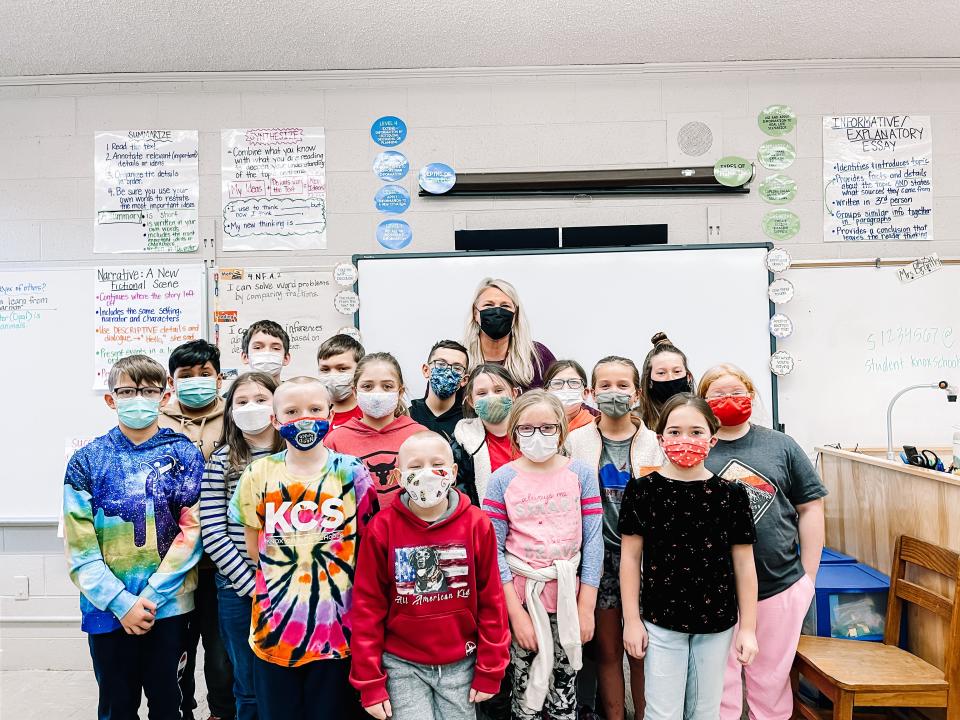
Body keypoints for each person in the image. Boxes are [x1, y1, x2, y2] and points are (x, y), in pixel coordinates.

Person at [63, 354, 204, 720]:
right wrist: (121, 602)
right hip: (107, 610)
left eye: (148, 390)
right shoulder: (86, 461)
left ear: (165, 396)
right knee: (116, 707)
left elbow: (193, 532)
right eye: (127, 391)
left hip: (169, 608)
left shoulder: (184, 454)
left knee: (170, 705)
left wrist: (153, 595)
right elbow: (80, 549)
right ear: (111, 399)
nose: (138, 398)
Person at [229, 377, 376, 720]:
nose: (304, 419)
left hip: (338, 634)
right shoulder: (258, 473)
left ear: (332, 413)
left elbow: (367, 544)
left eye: (313, 410)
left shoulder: (352, 472)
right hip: (275, 633)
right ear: (275, 420)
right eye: (292, 412)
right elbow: (255, 548)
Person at [350, 431, 511, 720]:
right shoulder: (381, 529)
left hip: (462, 663)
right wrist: (370, 683)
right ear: (398, 476)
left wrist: (491, 667)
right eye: (414, 467)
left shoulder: (477, 524)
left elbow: (492, 601)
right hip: (402, 665)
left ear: (452, 472)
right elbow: (367, 608)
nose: (426, 473)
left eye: (436, 464)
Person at [698, 364, 826, 720]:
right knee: (716, 687)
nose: (729, 401)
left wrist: (808, 580)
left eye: (736, 393)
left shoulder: (780, 445)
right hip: (713, 591)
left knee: (770, 684)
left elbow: (811, 509)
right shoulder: (694, 448)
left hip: (778, 585)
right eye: (717, 395)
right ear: (703, 401)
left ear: (752, 395)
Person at [619, 394, 759, 720]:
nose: (685, 440)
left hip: (717, 623)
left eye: (696, 432)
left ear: (712, 439)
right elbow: (629, 560)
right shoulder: (642, 491)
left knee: (705, 711)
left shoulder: (732, 494)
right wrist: (632, 621)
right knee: (661, 712)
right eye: (675, 431)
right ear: (660, 438)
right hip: (661, 620)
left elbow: (744, 563)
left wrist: (748, 628)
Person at [483, 390, 604, 720]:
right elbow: (493, 551)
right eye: (527, 429)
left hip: (568, 600)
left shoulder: (581, 475)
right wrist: (516, 615)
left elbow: (593, 542)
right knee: (526, 698)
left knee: (564, 696)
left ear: (561, 430)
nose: (537, 436)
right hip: (524, 602)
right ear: (515, 433)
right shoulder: (502, 480)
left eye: (547, 428)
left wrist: (586, 608)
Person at [565, 357, 663, 720]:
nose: (614, 392)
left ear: (637, 394)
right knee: (607, 651)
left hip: (645, 560)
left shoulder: (655, 444)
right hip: (597, 560)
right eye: (604, 385)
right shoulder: (575, 442)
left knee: (641, 650)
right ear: (591, 392)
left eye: (623, 385)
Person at [202, 372, 284, 720]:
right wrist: (251, 586)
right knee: (246, 682)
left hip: (291, 586)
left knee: (284, 678)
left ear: (278, 406)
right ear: (230, 411)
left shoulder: (295, 456)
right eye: (242, 402)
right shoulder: (221, 460)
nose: (252, 407)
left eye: (262, 399)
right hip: (238, 589)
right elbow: (213, 530)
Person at [160, 339, 234, 720]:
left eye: (204, 374)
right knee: (177, 652)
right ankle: (180, 710)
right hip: (173, 562)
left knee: (222, 656)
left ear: (219, 378)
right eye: (186, 376)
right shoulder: (156, 420)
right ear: (172, 382)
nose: (196, 382)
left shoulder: (238, 416)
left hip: (225, 563)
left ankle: (221, 712)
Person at [325, 352, 426, 510]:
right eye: (367, 386)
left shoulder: (420, 436)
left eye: (387, 386)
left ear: (400, 392)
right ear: (355, 392)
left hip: (409, 531)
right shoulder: (335, 440)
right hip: (356, 531)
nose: (377, 394)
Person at [463, 278, 555, 391]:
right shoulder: (460, 358)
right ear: (475, 313)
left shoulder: (538, 356)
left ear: (515, 315)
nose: (497, 312)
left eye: (505, 306)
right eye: (488, 305)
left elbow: (560, 398)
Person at [453, 364, 521, 507]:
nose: (491, 397)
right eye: (482, 393)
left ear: (514, 394)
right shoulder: (461, 443)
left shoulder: (533, 434)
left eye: (498, 390)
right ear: (471, 401)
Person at [409, 340, 470, 441]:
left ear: (464, 380)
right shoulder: (408, 416)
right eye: (441, 364)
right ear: (426, 370)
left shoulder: (469, 423)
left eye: (457, 368)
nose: (448, 372)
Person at [636, 333, 694, 431]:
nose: (670, 378)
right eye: (661, 373)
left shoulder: (702, 414)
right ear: (649, 381)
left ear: (688, 377)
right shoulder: (637, 421)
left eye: (677, 371)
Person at [317, 333, 366, 429]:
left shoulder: (369, 413)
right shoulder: (313, 412)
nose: (333, 376)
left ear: (359, 370)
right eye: (325, 369)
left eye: (342, 368)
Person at [543, 360, 596, 433]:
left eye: (574, 382)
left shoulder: (595, 427)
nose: (566, 389)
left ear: (585, 393)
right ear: (546, 393)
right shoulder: (536, 426)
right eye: (557, 383)